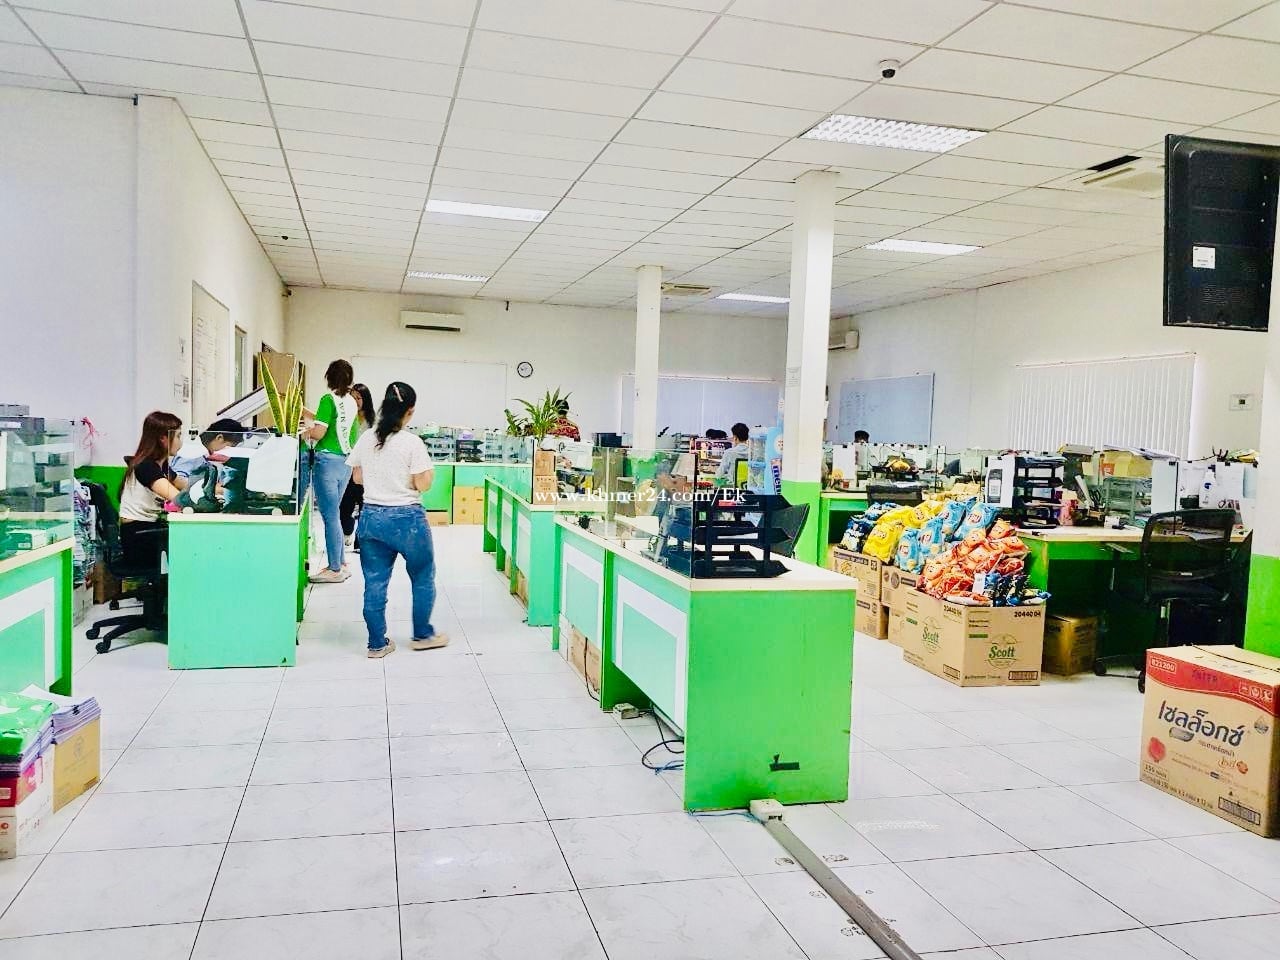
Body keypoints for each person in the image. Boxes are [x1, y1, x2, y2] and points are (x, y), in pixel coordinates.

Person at [347, 382, 447, 658]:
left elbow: (357, 478)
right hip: (408, 521)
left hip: (372, 518)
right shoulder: (412, 443)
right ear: (410, 411)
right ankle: (423, 635)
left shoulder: (367, 438)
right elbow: (422, 484)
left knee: (375, 582)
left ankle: (376, 644)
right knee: (422, 576)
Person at [306, 359, 359, 583]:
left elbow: (319, 433)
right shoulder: (351, 401)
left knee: (329, 516)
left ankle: (334, 569)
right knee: (334, 513)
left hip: (327, 461)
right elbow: (341, 426)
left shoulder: (328, 399)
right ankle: (341, 564)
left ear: (329, 376)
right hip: (345, 462)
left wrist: (305, 432)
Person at [118, 411, 186, 567]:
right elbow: (179, 498)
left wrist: (220, 489)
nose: (180, 442)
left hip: (148, 530)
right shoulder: (146, 467)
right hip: (138, 537)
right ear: (163, 438)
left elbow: (185, 485)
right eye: (178, 436)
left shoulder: (161, 465)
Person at [340, 383, 375, 551]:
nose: (355, 401)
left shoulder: (373, 421)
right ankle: (347, 531)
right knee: (344, 506)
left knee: (364, 506)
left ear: (365, 399)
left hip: (366, 470)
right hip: (347, 467)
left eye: (359, 398)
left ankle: (360, 542)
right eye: (352, 397)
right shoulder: (345, 418)